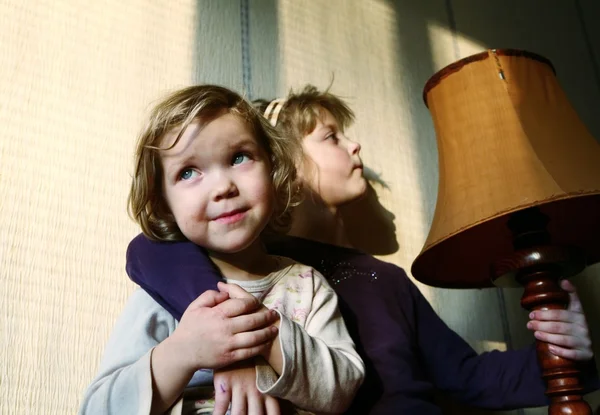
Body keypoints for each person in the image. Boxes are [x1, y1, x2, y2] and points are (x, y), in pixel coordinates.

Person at [126, 85, 598, 414]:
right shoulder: (211, 256)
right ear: (283, 158)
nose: (355, 147)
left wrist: (567, 355)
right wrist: (238, 352)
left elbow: (467, 376)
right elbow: (149, 248)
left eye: (238, 159)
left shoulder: (382, 277)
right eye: (331, 136)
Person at [79, 85, 365, 415]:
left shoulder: (307, 286)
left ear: (273, 171)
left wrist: (262, 332)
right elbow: (98, 409)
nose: (223, 187)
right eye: (188, 172)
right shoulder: (158, 295)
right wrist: (184, 351)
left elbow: (343, 389)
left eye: (239, 157)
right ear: (165, 205)